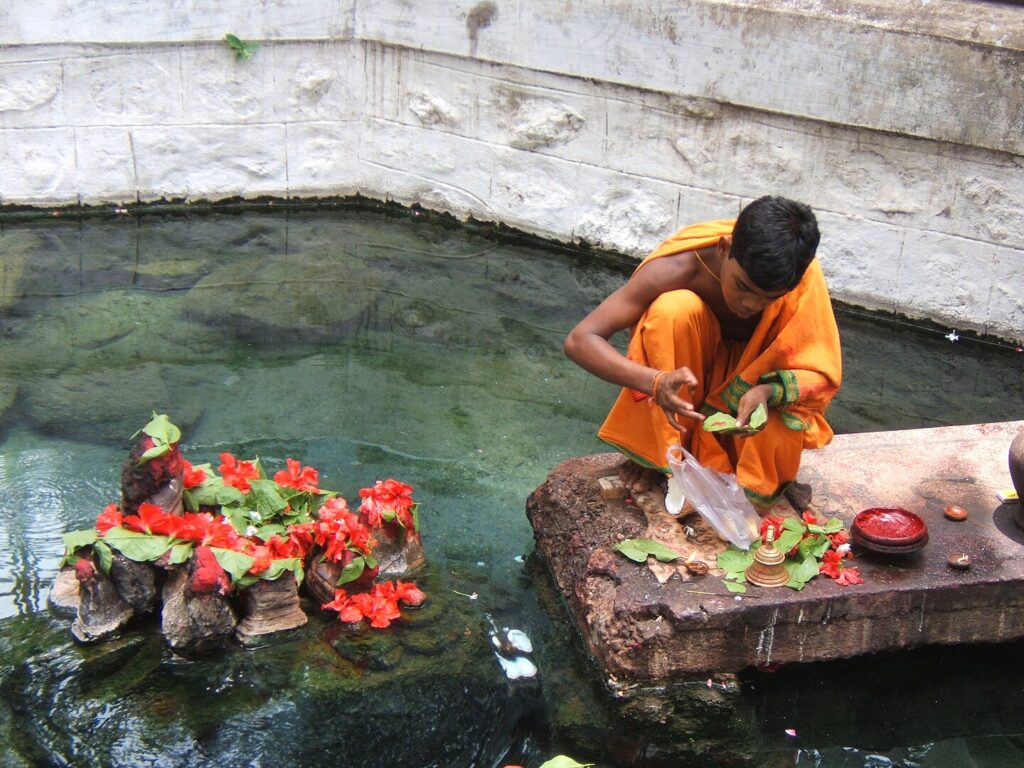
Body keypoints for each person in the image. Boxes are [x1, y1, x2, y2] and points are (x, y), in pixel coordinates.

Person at [564, 195, 842, 510]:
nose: (750, 305)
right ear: (724, 248)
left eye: (769, 299)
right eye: (744, 286)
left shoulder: (799, 277)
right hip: (686, 381)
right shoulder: (679, 267)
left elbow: (820, 371)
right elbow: (580, 339)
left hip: (749, 396)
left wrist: (768, 390)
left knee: (776, 443)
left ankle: (729, 466)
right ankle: (663, 452)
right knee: (672, 310)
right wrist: (655, 381)